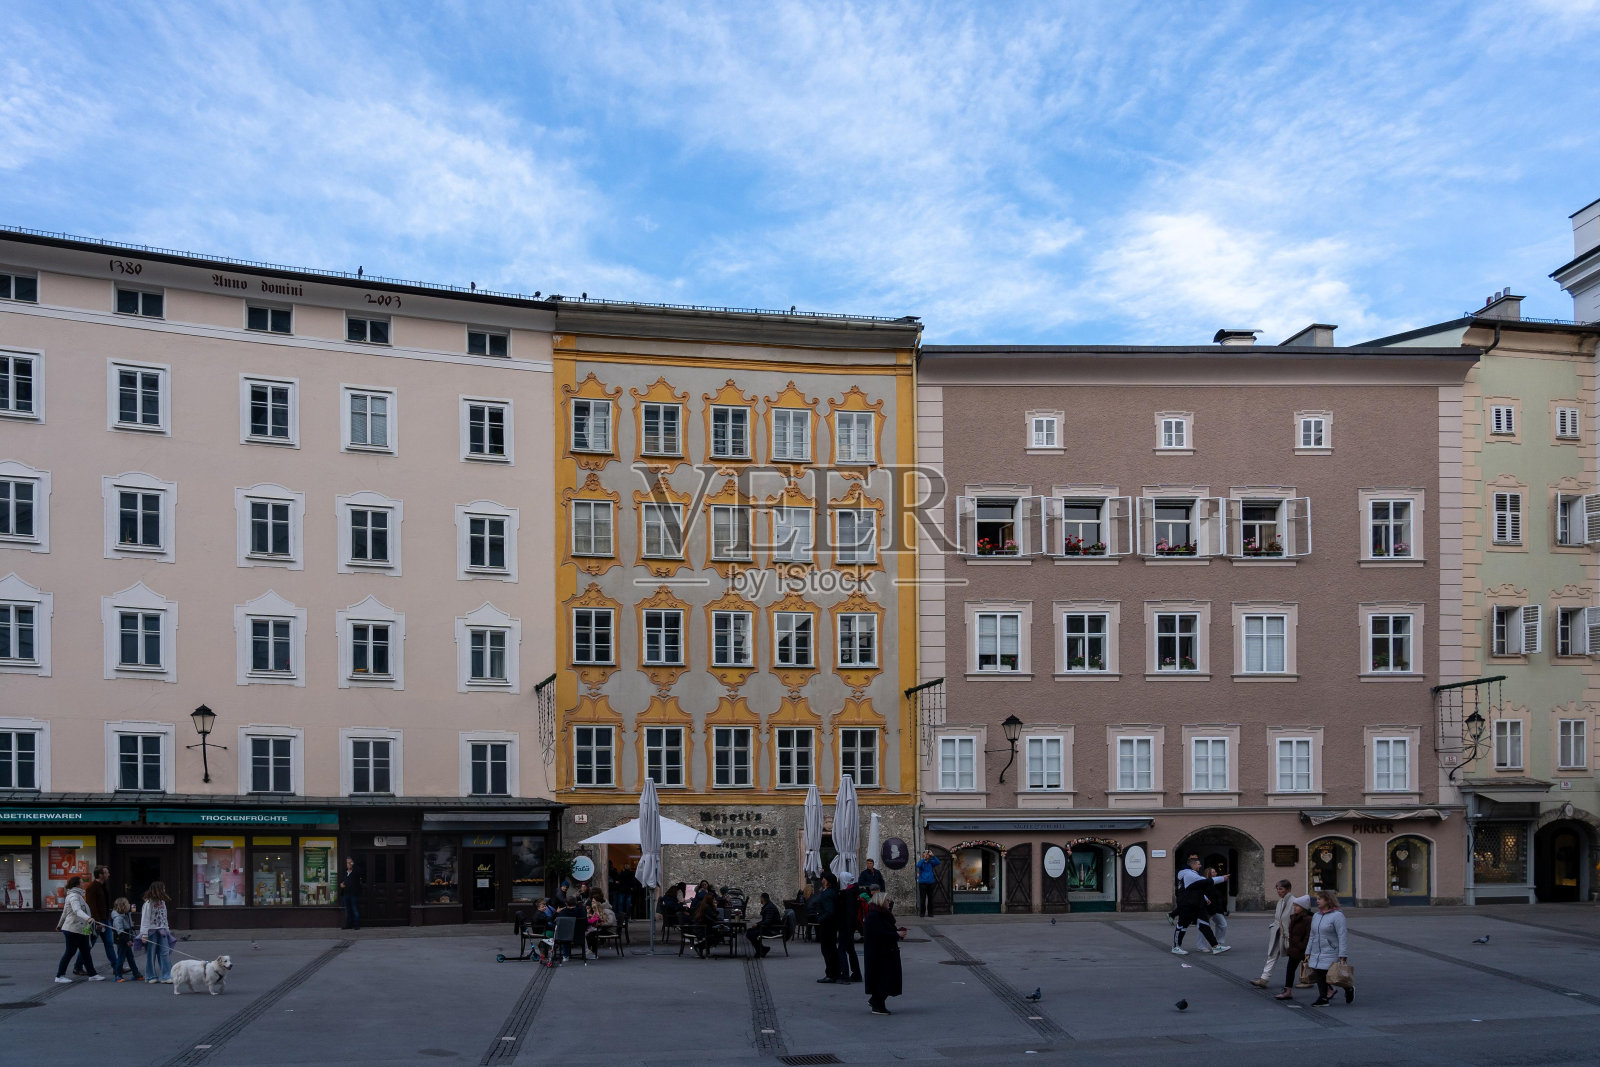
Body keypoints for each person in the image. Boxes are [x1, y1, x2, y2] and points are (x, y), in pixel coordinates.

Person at [1171, 855, 1230, 955]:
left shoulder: (1193, 874)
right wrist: (1222, 878)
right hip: (1186, 904)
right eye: (1198, 864)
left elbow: (1198, 888)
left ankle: (1215, 946)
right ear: (1193, 865)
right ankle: (1176, 947)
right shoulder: (1189, 874)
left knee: (1204, 925)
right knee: (1182, 925)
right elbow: (1205, 881)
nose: (1200, 866)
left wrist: (1205, 898)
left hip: (1197, 904)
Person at [1306, 890, 1353, 1006]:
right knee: (1320, 973)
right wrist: (1308, 951)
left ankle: (1348, 988)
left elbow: (1342, 936)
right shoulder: (1316, 916)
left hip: (1331, 950)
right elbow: (1312, 935)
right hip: (1317, 950)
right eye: (1317, 899)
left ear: (1328, 900)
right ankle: (1323, 998)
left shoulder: (1337, 916)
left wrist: (1343, 954)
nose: (1317, 901)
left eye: (1319, 899)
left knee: (1333, 975)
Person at [54, 876, 103, 983]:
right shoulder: (74, 896)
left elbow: (65, 912)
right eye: (81, 882)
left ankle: (93, 974)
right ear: (77, 885)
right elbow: (77, 910)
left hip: (81, 929)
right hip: (73, 929)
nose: (83, 884)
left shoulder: (77, 895)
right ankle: (59, 976)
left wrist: (59, 925)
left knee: (85, 951)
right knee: (70, 952)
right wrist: (88, 918)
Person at [861, 891, 902, 1015]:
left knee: (887, 979)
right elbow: (879, 934)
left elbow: (886, 929)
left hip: (886, 952)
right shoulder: (874, 916)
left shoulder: (882, 914)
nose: (889, 902)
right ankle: (878, 1005)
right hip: (880, 954)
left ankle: (875, 1000)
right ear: (881, 901)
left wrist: (897, 933)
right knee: (884, 979)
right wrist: (896, 934)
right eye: (886, 900)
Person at [1251, 879, 1294, 988]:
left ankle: (1309, 978)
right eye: (1277, 889)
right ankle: (1264, 979)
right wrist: (1274, 926)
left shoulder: (1294, 902)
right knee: (1272, 955)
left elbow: (1294, 920)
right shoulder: (1280, 902)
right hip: (1279, 933)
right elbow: (1278, 918)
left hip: (1290, 935)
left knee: (1298, 957)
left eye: (1281, 889)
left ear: (1288, 889)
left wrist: (1290, 933)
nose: (1279, 891)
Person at [1274, 896, 1314, 1001]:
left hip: (1303, 949)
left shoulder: (1308, 919)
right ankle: (1287, 991)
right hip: (1295, 949)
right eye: (1294, 905)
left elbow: (1308, 936)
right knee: (1290, 969)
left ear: (1303, 907)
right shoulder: (1294, 918)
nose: (1294, 907)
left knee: (1317, 971)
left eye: (1297, 906)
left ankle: (1329, 989)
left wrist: (1302, 946)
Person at [139, 880, 173, 983]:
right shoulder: (148, 903)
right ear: (158, 889)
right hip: (151, 931)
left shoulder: (163, 902)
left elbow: (164, 917)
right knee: (151, 954)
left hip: (162, 930)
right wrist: (144, 934)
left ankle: (166, 976)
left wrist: (167, 930)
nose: (164, 890)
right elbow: (145, 919)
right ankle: (150, 976)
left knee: (165, 953)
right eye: (163, 888)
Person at [84, 865, 115, 973]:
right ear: (100, 875)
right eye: (106, 872)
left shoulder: (103, 886)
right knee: (89, 944)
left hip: (105, 919)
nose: (108, 874)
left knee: (109, 943)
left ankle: (116, 967)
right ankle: (78, 966)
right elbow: (91, 906)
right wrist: (97, 921)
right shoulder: (92, 887)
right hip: (97, 921)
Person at [814, 872, 842, 982]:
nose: (822, 880)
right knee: (831, 949)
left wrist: (820, 918)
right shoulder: (833, 892)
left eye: (823, 878)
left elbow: (829, 911)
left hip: (827, 925)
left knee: (827, 949)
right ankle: (835, 972)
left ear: (826, 881)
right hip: (831, 925)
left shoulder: (827, 894)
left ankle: (831, 974)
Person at [109, 896, 143, 982]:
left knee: (130, 958)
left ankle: (136, 974)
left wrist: (131, 937)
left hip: (126, 940)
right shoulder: (118, 918)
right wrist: (127, 940)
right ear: (123, 906)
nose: (129, 905)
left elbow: (130, 928)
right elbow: (120, 932)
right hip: (121, 941)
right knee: (121, 958)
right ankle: (118, 975)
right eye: (128, 904)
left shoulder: (126, 915)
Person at [835, 880, 862, 983]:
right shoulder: (852, 892)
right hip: (850, 926)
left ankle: (845, 975)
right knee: (850, 949)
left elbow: (847, 913)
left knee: (841, 949)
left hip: (845, 926)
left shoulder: (847, 895)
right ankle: (857, 974)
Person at [747, 892, 782, 956]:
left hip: (772, 930)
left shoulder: (769, 907)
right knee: (749, 931)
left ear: (762, 899)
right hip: (769, 927)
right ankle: (762, 949)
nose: (760, 899)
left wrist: (757, 925)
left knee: (750, 934)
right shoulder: (768, 906)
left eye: (760, 898)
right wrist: (757, 924)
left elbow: (767, 922)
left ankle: (760, 950)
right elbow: (766, 921)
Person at [1202, 865, 1229, 945]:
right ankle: (1202, 946)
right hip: (1208, 908)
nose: (1215, 873)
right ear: (1209, 874)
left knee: (1222, 925)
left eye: (1215, 872)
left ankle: (1218, 943)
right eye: (1213, 872)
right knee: (1204, 927)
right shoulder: (1206, 883)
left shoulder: (1216, 884)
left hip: (1216, 909)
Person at [339, 857, 363, 930]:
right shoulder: (345, 872)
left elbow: (359, 871)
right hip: (346, 894)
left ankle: (356, 925)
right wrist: (341, 884)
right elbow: (341, 881)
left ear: (352, 863)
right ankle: (348, 925)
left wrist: (353, 865)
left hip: (353, 894)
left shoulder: (356, 871)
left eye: (350, 862)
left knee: (354, 909)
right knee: (348, 910)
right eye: (347, 862)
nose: (348, 864)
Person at [915, 850, 940, 917]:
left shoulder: (931, 862)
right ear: (923, 855)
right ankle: (922, 913)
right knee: (922, 898)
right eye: (925, 854)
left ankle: (930, 913)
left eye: (927, 854)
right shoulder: (921, 862)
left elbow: (938, 862)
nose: (926, 855)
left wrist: (933, 855)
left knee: (930, 898)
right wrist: (924, 859)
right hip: (922, 883)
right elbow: (918, 865)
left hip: (930, 883)